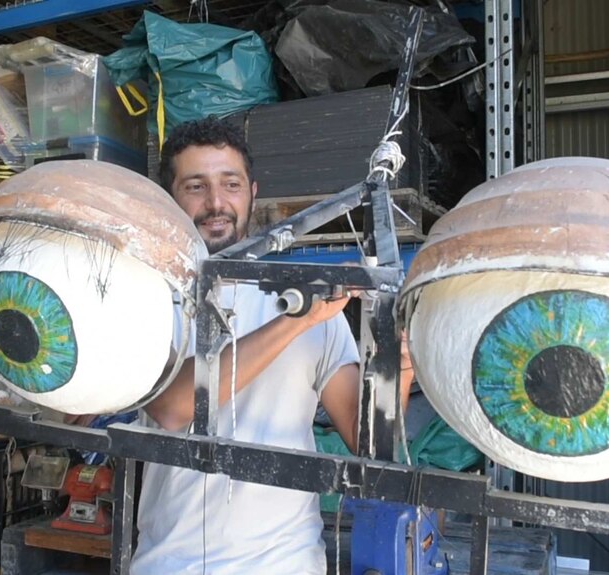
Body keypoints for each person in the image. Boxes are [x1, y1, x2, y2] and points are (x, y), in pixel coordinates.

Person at [130, 116, 412, 575]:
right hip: (170, 562)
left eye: (231, 184)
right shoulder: (153, 298)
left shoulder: (316, 306)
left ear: (253, 193)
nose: (216, 202)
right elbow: (174, 410)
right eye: (196, 187)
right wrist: (295, 322)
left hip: (286, 562)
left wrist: (398, 371)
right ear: (171, 198)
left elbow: (367, 440)